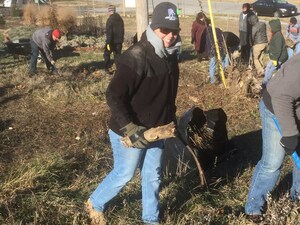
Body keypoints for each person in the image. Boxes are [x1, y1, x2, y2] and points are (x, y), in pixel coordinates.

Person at [86, 2, 180, 225]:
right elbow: (113, 95)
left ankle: (150, 218)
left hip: (156, 129)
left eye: (174, 31)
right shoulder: (136, 57)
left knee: (153, 175)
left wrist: (170, 119)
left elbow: (167, 94)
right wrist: (130, 128)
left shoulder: (172, 56)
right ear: (153, 28)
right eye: (164, 30)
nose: (170, 36)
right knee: (124, 174)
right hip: (128, 129)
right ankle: (94, 203)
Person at [245, 52, 300, 221]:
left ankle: (296, 199)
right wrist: (290, 134)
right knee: (273, 162)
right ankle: (254, 207)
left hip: (296, 110)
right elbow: (281, 97)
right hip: (276, 107)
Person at [262, 19, 288, 86]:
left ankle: (265, 83)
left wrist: (275, 59)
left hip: (279, 57)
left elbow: (278, 49)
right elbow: (273, 47)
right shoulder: (275, 34)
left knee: (270, 69)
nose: (269, 28)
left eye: (270, 27)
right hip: (276, 56)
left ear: (275, 27)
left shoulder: (278, 36)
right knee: (270, 67)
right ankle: (267, 81)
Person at [104, 5, 124, 74]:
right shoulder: (120, 19)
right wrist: (121, 40)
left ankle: (107, 68)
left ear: (110, 11)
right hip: (119, 41)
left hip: (111, 42)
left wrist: (108, 43)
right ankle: (119, 70)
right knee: (118, 55)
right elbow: (122, 30)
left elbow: (109, 32)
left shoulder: (110, 20)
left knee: (106, 54)